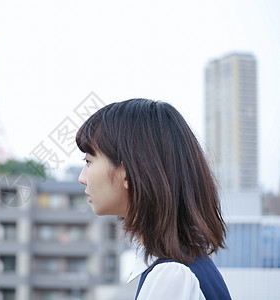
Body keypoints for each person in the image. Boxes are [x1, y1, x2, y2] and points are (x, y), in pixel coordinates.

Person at [76, 98, 231, 299]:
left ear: (127, 173)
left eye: (88, 161)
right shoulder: (185, 265)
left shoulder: (172, 276)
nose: (82, 178)